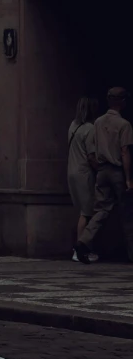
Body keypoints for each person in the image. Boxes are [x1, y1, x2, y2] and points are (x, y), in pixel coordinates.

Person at [76, 87, 133, 265]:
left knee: (101, 210)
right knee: (127, 214)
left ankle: (83, 241)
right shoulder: (124, 125)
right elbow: (124, 152)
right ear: (122, 103)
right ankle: (132, 253)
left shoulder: (98, 122)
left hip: (102, 172)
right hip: (117, 171)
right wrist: (129, 179)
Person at [67, 97, 100, 259]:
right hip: (84, 173)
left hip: (71, 172)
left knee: (82, 211)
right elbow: (91, 156)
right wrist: (101, 169)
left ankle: (81, 249)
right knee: (87, 213)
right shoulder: (90, 128)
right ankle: (80, 251)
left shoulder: (73, 126)